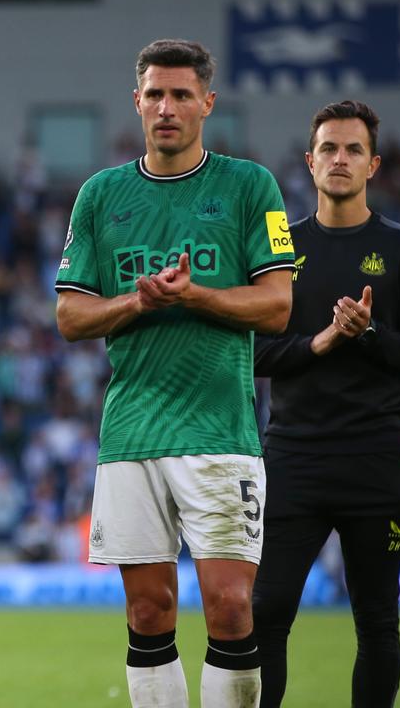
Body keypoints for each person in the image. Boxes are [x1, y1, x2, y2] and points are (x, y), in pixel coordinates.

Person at [54, 39, 294, 707]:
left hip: (220, 429)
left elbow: (277, 306)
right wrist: (141, 299)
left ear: (207, 104)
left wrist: (195, 296)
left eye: (181, 95)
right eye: (155, 94)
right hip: (131, 433)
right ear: (137, 102)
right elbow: (70, 317)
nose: (166, 107)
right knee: (149, 611)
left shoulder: (249, 186)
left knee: (229, 606)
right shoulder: (102, 194)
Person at [252, 100, 400, 708]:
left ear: (374, 165)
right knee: (266, 612)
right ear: (309, 163)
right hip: (294, 456)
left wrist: (367, 334)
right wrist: (322, 341)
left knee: (378, 622)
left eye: (353, 149)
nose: (340, 159)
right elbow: (254, 352)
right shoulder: (277, 244)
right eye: (329, 148)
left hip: (375, 459)